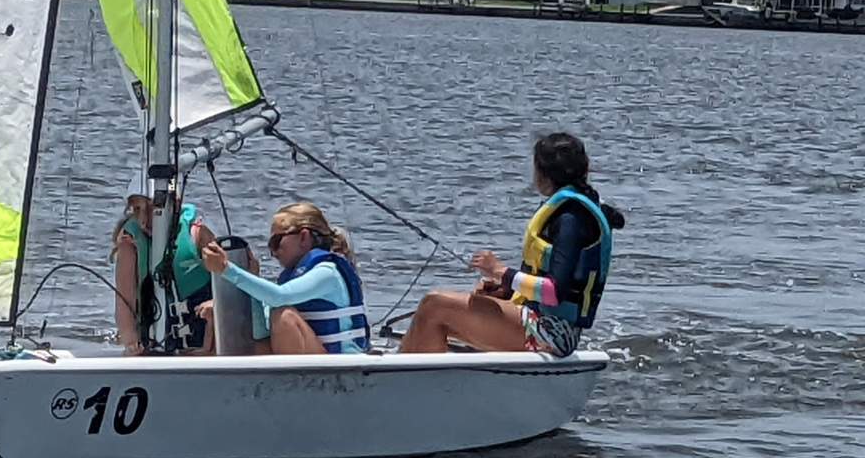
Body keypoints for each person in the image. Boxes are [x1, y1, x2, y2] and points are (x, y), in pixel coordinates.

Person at [400, 132, 626, 357]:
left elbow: (553, 293)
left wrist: (501, 272)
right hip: (540, 321)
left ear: (543, 175)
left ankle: (404, 384)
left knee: (434, 306)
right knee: (439, 309)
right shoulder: (573, 211)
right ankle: (411, 378)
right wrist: (507, 288)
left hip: (551, 334)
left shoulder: (571, 219)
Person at [200, 202, 370, 355]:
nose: (273, 253)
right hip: (316, 358)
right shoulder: (292, 279)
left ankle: (291, 386)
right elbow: (260, 332)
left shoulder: (327, 273)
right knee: (255, 343)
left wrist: (227, 269)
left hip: (341, 366)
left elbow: (278, 297)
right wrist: (252, 278)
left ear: (303, 237)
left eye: (276, 242)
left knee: (283, 316)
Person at [111, 194, 216, 356]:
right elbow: (124, 300)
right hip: (151, 344)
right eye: (138, 209)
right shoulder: (129, 243)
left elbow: (228, 283)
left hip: (201, 339)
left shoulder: (197, 233)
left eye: (152, 209)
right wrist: (131, 341)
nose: (144, 219)